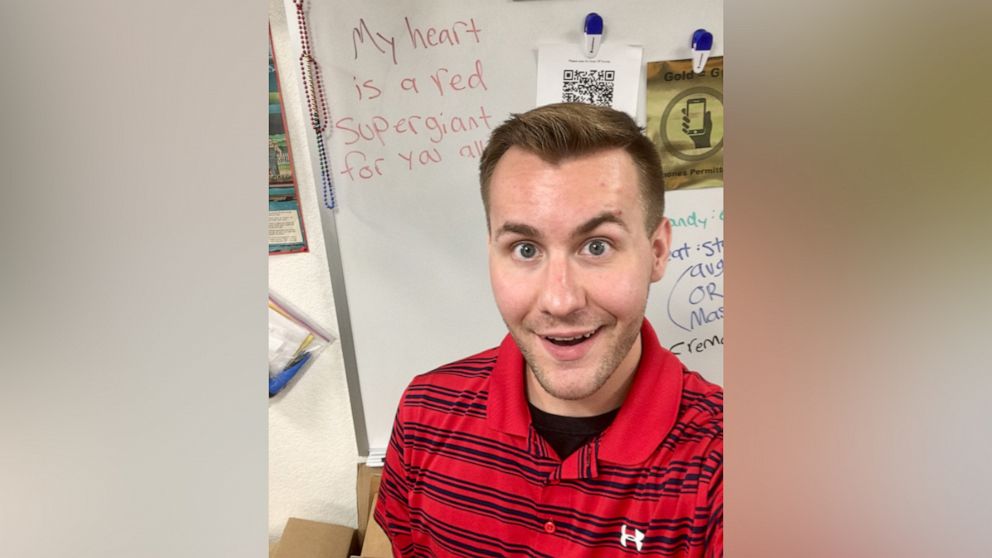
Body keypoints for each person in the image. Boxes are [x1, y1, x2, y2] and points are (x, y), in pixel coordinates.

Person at [374, 103, 723, 557]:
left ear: (656, 252)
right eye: (524, 248)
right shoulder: (425, 414)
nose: (560, 301)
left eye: (597, 246)